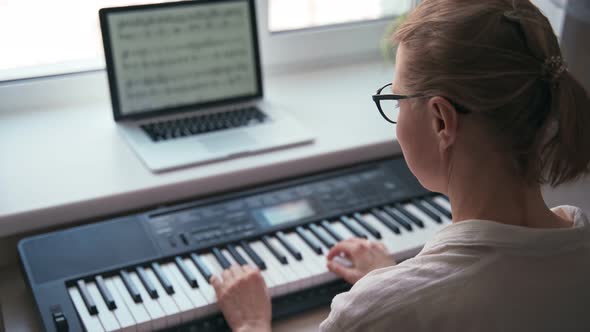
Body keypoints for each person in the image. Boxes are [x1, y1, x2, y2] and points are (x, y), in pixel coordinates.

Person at [210, 0, 590, 331]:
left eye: (396, 100)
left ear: (441, 120)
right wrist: (389, 280)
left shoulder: (373, 313)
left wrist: (251, 324)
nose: (394, 116)